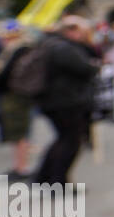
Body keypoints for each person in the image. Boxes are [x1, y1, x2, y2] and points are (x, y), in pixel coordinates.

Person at [29, 15, 100, 188]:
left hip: (56, 101)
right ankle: (57, 182)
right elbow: (86, 68)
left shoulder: (51, 44)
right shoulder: (64, 48)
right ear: (72, 30)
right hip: (66, 102)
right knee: (70, 142)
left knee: (62, 139)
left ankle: (44, 177)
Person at [0, 23, 37, 178]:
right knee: (19, 133)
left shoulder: (18, 50)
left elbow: (4, 75)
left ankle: (21, 168)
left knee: (18, 133)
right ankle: (20, 166)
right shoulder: (21, 49)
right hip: (18, 95)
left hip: (15, 96)